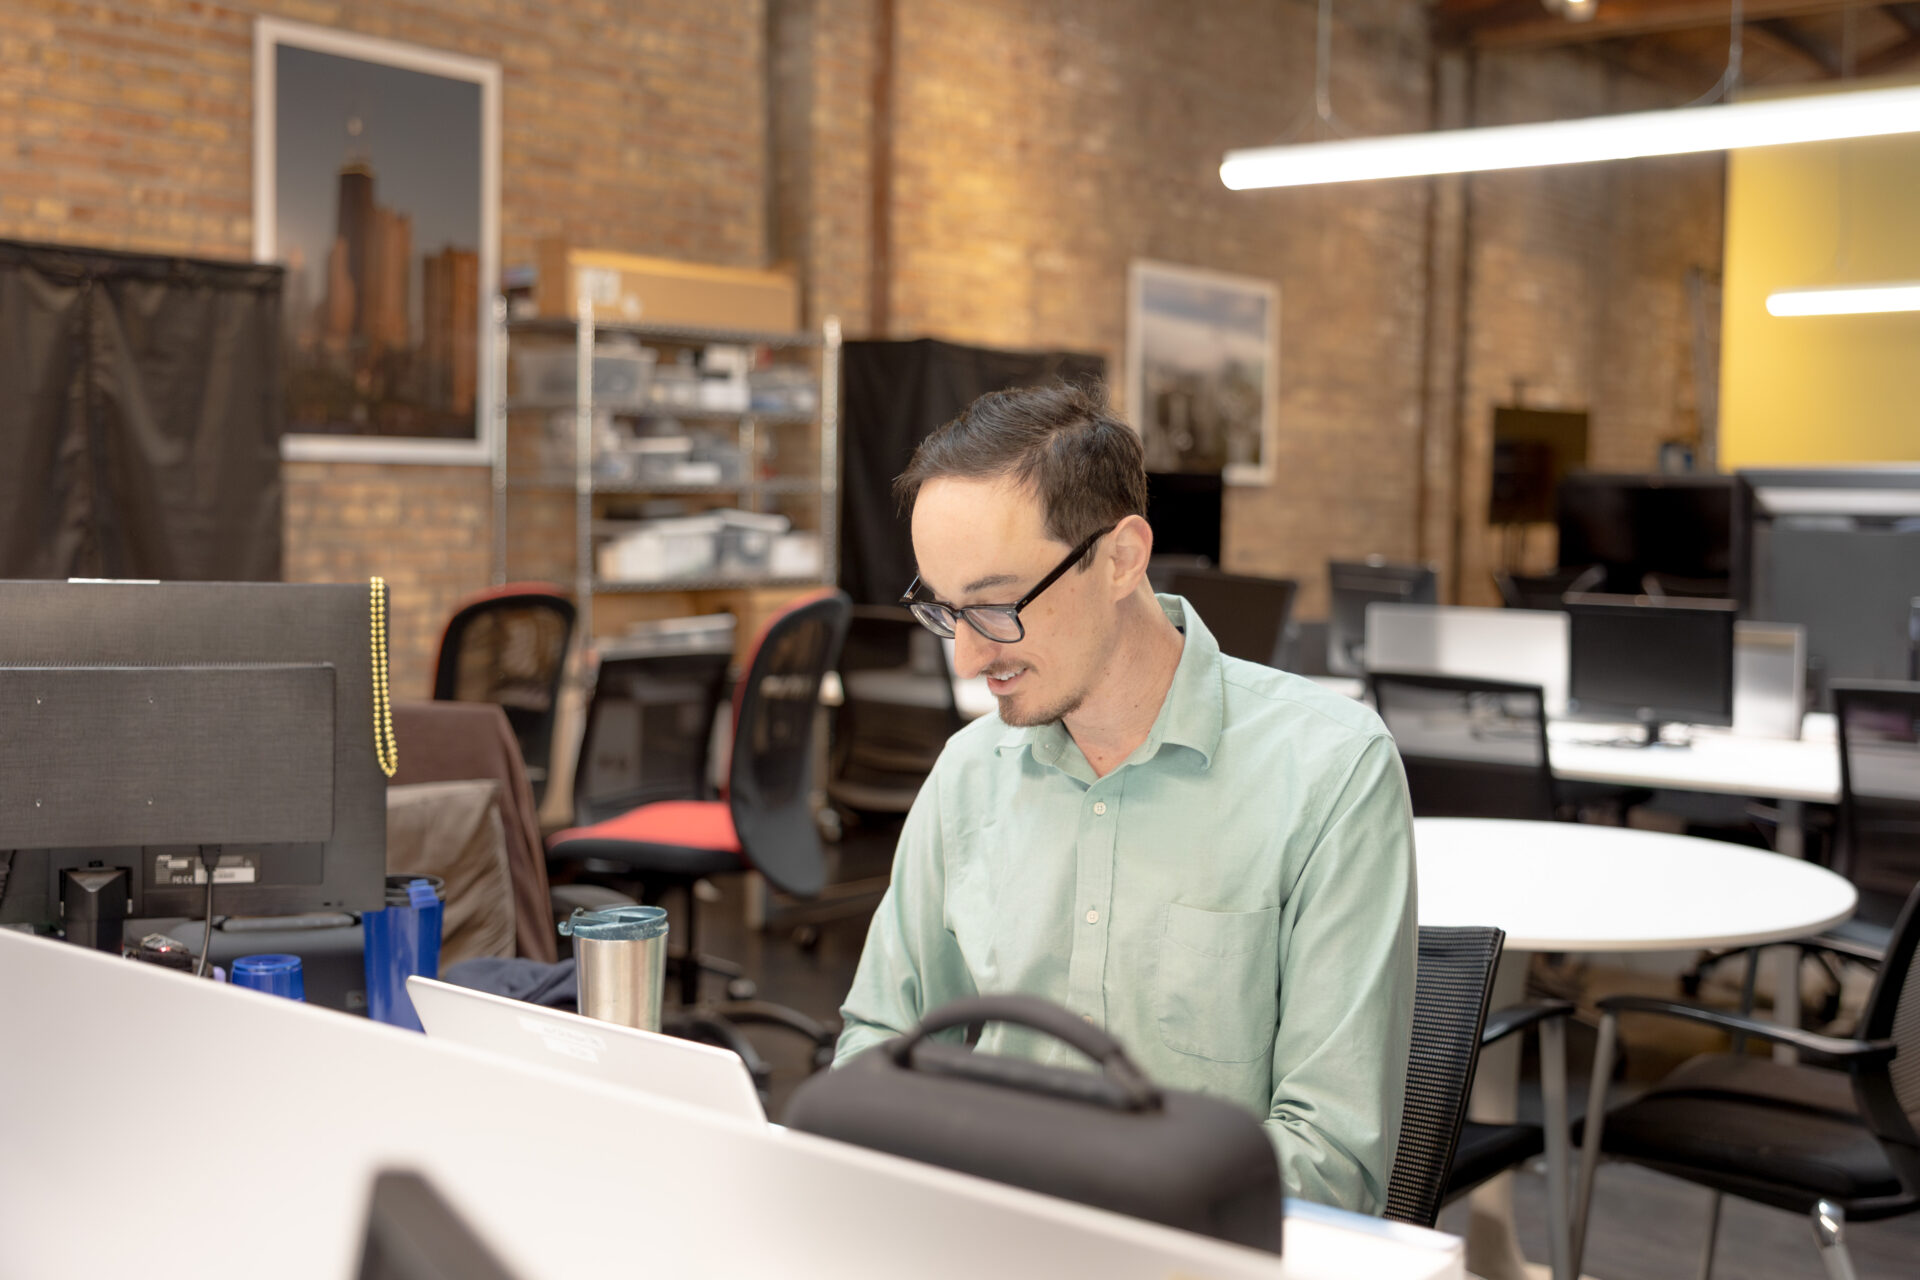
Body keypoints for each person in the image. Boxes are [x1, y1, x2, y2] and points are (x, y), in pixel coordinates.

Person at [833, 381, 1417, 1214]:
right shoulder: (971, 771)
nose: (965, 659)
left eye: (997, 606)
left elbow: (1331, 1164)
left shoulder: (1329, 770)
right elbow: (878, 1044)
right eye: (944, 610)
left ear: (1121, 557)